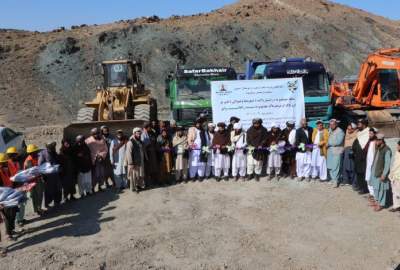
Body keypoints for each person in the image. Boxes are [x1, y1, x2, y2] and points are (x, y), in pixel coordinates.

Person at [369, 133, 391, 211]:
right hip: (375, 171)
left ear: (382, 140)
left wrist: (384, 174)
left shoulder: (387, 150)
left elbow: (387, 164)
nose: (376, 141)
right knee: (376, 188)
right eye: (376, 140)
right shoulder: (378, 148)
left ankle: (381, 204)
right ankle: (377, 201)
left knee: (381, 189)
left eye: (377, 140)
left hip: (380, 173)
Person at [39, 142, 62, 207]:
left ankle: (57, 202)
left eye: (53, 147)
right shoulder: (43, 154)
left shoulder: (54, 152)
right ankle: (47, 204)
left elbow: (57, 161)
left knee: (58, 188)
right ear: (48, 147)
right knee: (49, 190)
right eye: (51, 147)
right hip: (48, 176)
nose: (53, 148)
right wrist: (43, 175)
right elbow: (40, 165)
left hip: (56, 175)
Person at [0, 153, 18, 240]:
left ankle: (11, 229)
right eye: (4, 163)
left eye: (6, 162)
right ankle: (8, 234)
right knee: (7, 216)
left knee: (13, 213)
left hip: (11, 194)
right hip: (4, 198)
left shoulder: (7, 169)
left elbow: (12, 179)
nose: (6, 164)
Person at [6, 147, 25, 226]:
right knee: (17, 204)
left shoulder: (17, 162)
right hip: (13, 188)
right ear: (11, 155)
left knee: (22, 203)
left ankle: (21, 218)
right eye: (15, 155)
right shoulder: (7, 165)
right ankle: (19, 220)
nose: (17, 156)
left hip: (20, 185)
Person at [86, 128, 108, 192]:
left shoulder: (102, 140)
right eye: (94, 134)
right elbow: (86, 150)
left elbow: (105, 149)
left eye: (97, 133)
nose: (96, 135)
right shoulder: (88, 141)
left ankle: (99, 186)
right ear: (92, 134)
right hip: (93, 160)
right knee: (94, 175)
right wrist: (94, 156)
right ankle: (92, 188)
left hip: (101, 160)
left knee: (101, 174)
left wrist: (101, 155)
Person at [24, 144, 44, 215]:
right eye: (35, 152)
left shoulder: (35, 157)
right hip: (33, 181)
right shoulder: (28, 161)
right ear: (31, 153)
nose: (36, 153)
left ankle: (38, 208)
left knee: (38, 195)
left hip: (35, 180)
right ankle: (38, 209)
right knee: (36, 195)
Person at [352, 119, 370, 194]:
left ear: (364, 125)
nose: (358, 125)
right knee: (358, 172)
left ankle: (365, 188)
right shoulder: (359, 133)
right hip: (358, 156)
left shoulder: (368, 132)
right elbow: (356, 143)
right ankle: (360, 186)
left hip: (364, 157)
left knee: (364, 172)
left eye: (359, 124)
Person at [125, 127, 145, 193]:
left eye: (140, 134)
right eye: (137, 133)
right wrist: (130, 163)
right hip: (134, 162)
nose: (139, 135)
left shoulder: (140, 141)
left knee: (140, 174)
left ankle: (139, 185)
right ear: (134, 134)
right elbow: (128, 153)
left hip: (140, 161)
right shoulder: (130, 142)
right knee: (134, 176)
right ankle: (134, 187)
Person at [327, 119, 345, 187]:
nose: (332, 126)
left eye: (333, 124)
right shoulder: (329, 130)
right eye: (330, 124)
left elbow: (339, 142)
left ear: (336, 124)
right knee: (330, 166)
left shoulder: (340, 131)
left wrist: (328, 143)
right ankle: (332, 178)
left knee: (336, 166)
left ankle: (336, 181)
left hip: (336, 151)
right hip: (330, 151)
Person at [141, 122, 160, 186]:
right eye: (149, 127)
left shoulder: (152, 133)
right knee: (148, 168)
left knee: (154, 167)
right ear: (146, 127)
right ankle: (148, 182)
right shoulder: (143, 134)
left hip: (153, 153)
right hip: (147, 153)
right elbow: (144, 144)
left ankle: (154, 181)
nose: (150, 128)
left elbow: (155, 141)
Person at [365, 128, 378, 199]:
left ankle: (375, 195)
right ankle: (371, 193)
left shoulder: (376, 142)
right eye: (369, 133)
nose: (370, 135)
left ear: (375, 134)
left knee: (373, 178)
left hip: (373, 164)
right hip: (368, 163)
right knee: (368, 178)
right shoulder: (370, 142)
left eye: (371, 134)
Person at [389, 140, 400, 212]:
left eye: (398, 145)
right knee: (394, 192)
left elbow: (396, 165)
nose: (397, 146)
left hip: (398, 176)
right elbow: (394, 165)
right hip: (395, 175)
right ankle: (396, 206)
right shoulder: (397, 153)